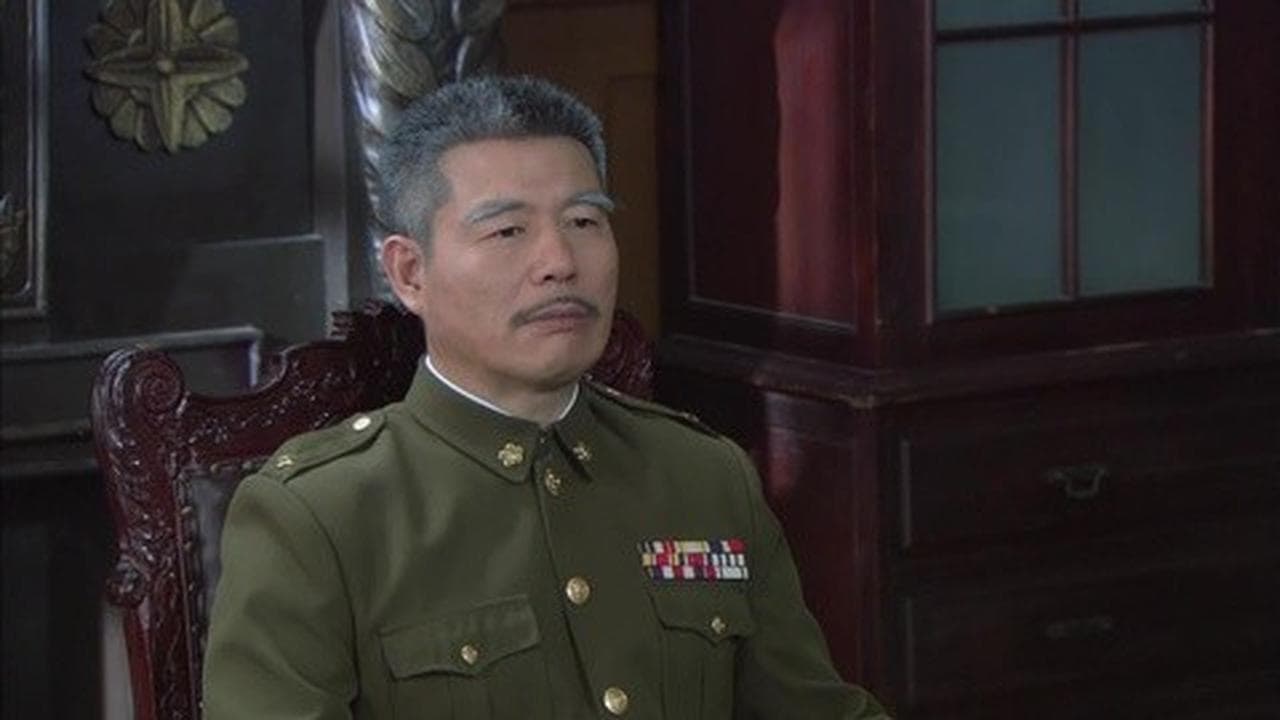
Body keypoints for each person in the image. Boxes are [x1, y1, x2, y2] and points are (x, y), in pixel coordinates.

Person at [202, 75, 890, 719]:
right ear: (410, 273)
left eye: (585, 221)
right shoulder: (319, 516)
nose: (560, 262)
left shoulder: (702, 474)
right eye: (508, 231)